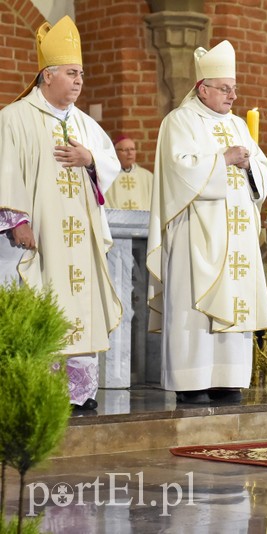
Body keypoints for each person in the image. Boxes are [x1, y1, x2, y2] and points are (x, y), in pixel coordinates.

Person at [0, 16, 122, 411]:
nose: (79, 81)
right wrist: (17, 220)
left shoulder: (85, 124)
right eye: (72, 73)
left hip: (79, 240)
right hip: (37, 237)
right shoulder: (14, 117)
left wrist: (90, 160)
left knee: (79, 304)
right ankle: (42, 390)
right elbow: (5, 169)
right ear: (47, 75)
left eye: (81, 74)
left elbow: (110, 163)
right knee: (40, 299)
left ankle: (78, 391)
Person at [146, 40, 267, 405]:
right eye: (225, 88)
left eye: (234, 88)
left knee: (235, 300)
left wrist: (250, 165)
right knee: (195, 307)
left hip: (237, 235)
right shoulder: (179, 121)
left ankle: (228, 378)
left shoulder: (239, 125)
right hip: (196, 234)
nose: (233, 95)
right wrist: (223, 160)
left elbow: (262, 169)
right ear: (203, 88)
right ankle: (192, 380)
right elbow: (178, 172)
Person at [105, 135, 154, 211]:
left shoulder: (147, 176)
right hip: (116, 218)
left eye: (132, 149)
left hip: (143, 218)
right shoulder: (107, 176)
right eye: (125, 150)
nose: (130, 153)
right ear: (115, 152)